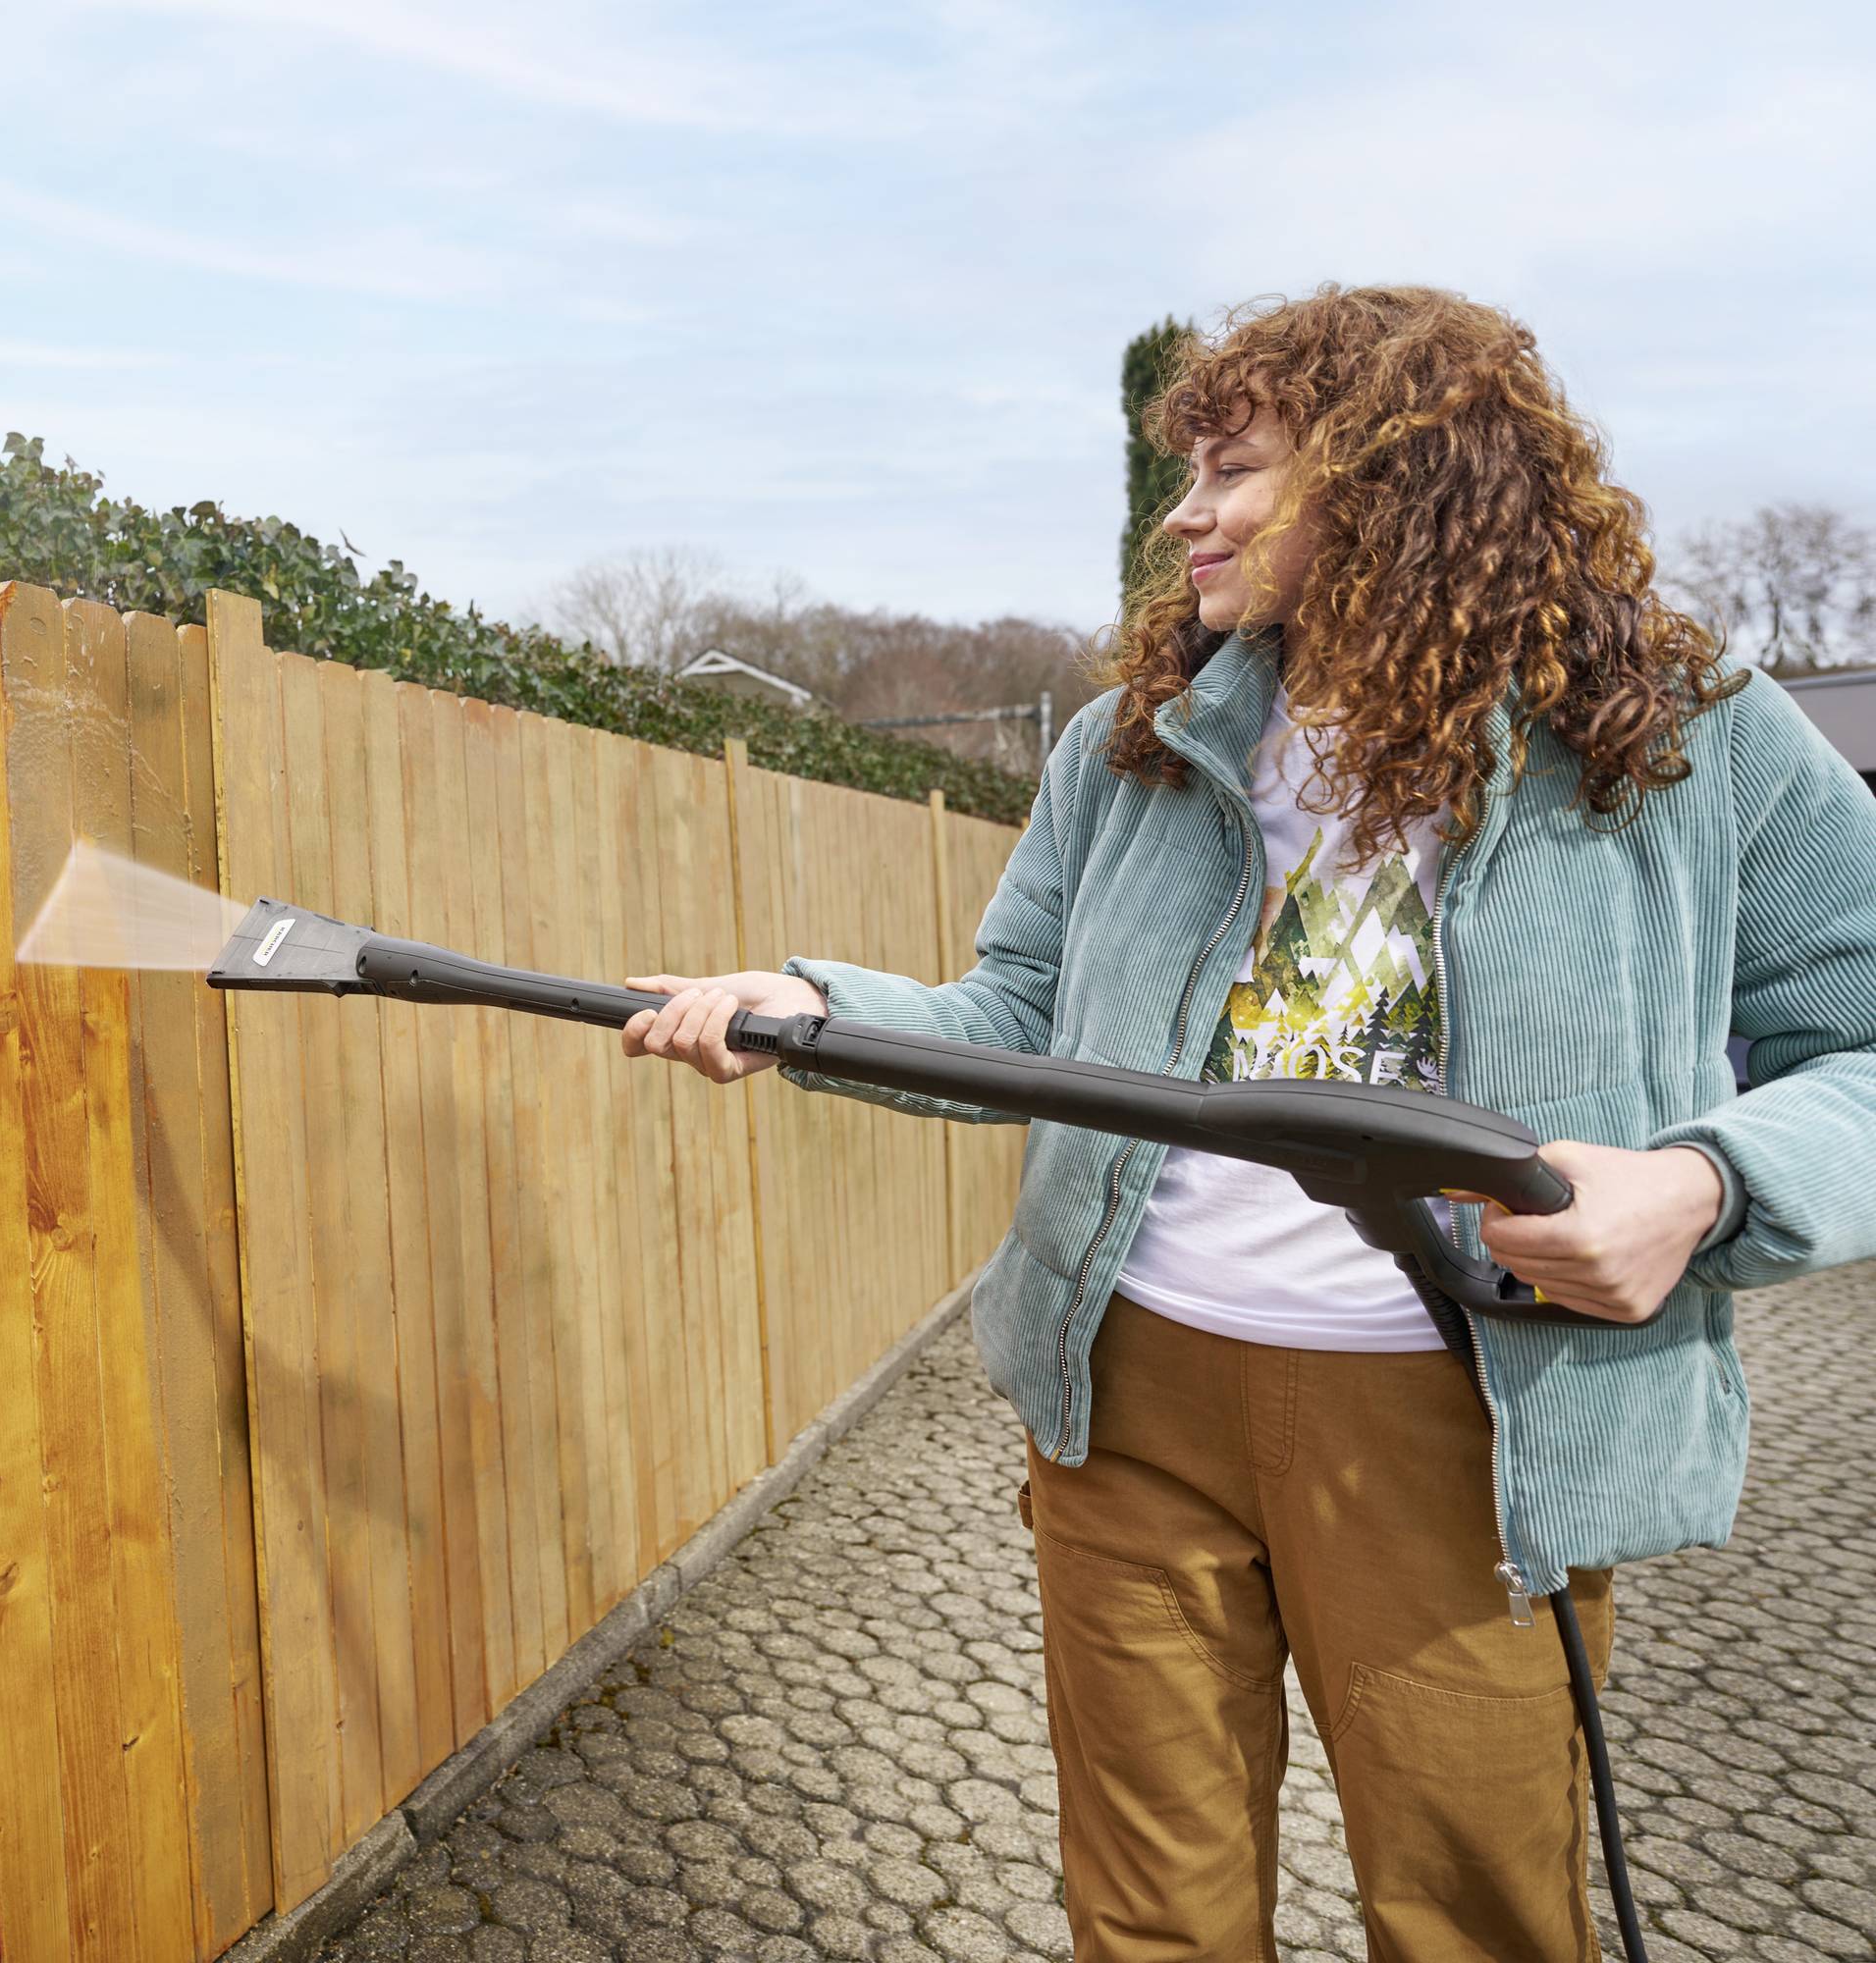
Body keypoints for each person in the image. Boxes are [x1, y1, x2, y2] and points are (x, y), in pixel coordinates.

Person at [618, 285, 1876, 1962]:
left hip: (1473, 1426)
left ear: (1396, 479)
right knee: (1150, 1918)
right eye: (1182, 473)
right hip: (1131, 1396)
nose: (1182, 515)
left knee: (1477, 1918)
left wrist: (1705, 1187)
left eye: (1233, 470)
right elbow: (1016, 1017)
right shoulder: (1131, 745)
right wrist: (813, 1015)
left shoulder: (1680, 734)